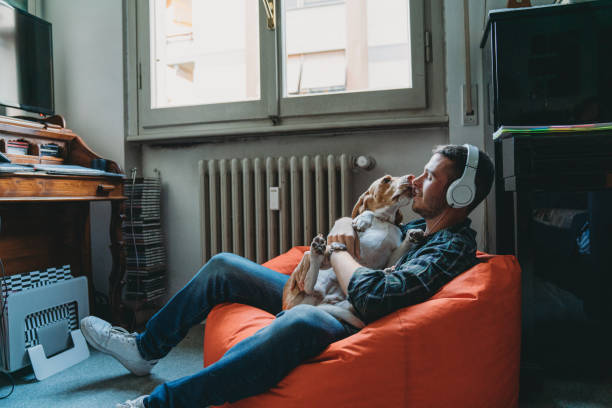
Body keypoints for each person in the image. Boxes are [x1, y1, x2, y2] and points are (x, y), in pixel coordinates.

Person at [81, 144, 494, 408]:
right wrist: (342, 224)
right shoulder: (414, 230)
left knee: (299, 319)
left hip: (350, 319)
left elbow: (373, 295)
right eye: (423, 171)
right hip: (329, 296)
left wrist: (335, 248)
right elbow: (362, 238)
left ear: (459, 195)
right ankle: (144, 349)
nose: (416, 181)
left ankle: (159, 405)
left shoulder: (450, 247)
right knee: (223, 265)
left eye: (431, 177)